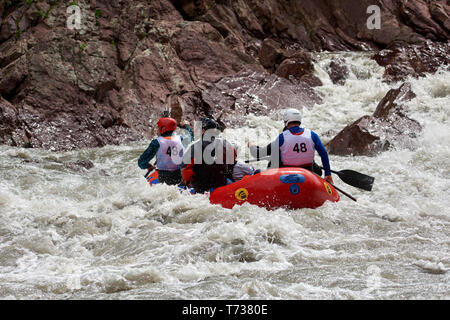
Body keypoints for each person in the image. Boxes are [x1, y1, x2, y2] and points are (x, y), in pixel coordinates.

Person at [248, 108, 334, 184]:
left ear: (286, 122)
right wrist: (328, 173)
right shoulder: (312, 135)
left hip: (285, 175)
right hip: (308, 174)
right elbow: (323, 153)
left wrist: (251, 145)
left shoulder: (281, 137)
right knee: (317, 170)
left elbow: (272, 163)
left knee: (262, 169)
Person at [181, 117, 235, 193]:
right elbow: (232, 161)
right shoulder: (225, 144)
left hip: (201, 188)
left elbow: (185, 169)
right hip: (221, 184)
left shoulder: (194, 147)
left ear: (203, 131)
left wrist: (188, 183)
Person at [138, 117, 193, 185]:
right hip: (179, 175)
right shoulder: (181, 139)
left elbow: (141, 162)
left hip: (164, 178)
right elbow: (190, 135)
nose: (157, 130)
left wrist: (148, 166)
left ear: (163, 129)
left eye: (158, 128)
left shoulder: (156, 143)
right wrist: (186, 125)